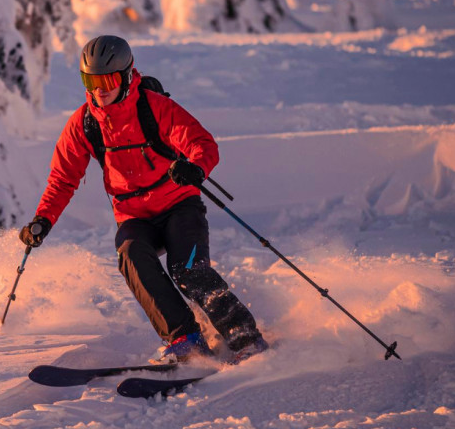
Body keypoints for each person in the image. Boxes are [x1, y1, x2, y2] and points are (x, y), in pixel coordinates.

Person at [19, 35, 268, 362]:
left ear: (126, 75)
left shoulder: (155, 107)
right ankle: (186, 340)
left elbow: (202, 144)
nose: (99, 89)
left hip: (179, 206)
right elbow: (63, 178)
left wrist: (194, 168)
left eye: (107, 80)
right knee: (131, 256)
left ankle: (244, 338)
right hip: (134, 217)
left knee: (187, 270)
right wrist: (43, 219)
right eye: (90, 81)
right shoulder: (84, 124)